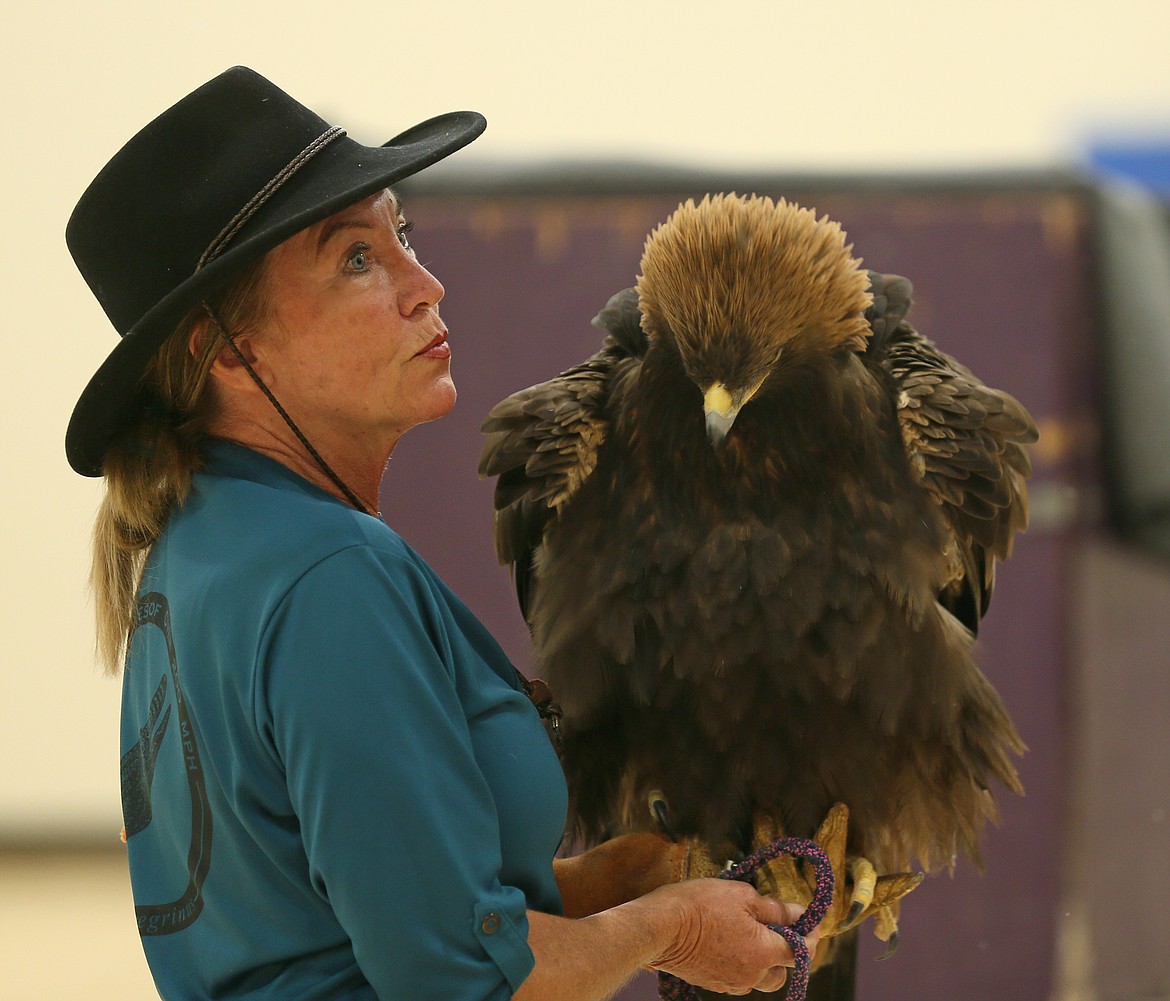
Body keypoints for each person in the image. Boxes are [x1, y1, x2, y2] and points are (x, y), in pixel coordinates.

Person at [66, 66, 816, 1000]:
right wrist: (673, 929)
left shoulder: (208, 544)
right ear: (225, 346)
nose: (425, 284)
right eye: (356, 259)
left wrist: (635, 881)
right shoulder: (328, 574)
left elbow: (377, 921)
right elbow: (455, 979)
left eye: (403, 235)